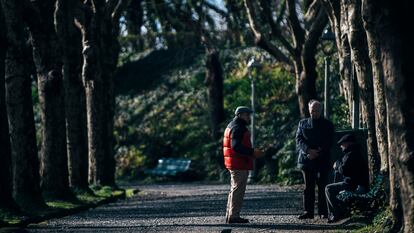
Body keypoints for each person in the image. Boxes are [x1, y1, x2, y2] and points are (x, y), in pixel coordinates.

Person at [223, 106, 263, 224]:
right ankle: (234, 216)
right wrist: (252, 152)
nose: (249, 117)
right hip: (238, 163)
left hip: (234, 162)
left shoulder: (231, 125)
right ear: (240, 115)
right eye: (247, 115)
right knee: (238, 190)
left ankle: (230, 214)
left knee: (234, 189)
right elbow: (236, 146)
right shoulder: (238, 127)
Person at [296, 100, 334, 219]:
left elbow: (329, 141)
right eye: (312, 111)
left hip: (322, 159)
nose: (314, 113)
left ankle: (323, 211)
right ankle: (308, 211)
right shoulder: (302, 123)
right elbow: (299, 140)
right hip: (306, 159)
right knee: (308, 187)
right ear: (309, 110)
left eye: (317, 111)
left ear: (321, 111)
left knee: (323, 186)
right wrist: (308, 151)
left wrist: (318, 152)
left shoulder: (328, 124)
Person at [325, 133, 369, 223]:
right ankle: (337, 213)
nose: (341, 146)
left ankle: (336, 214)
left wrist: (337, 165)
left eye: (342, 144)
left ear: (348, 143)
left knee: (328, 188)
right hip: (356, 183)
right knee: (333, 187)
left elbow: (344, 170)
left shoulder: (351, 154)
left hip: (353, 185)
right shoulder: (355, 153)